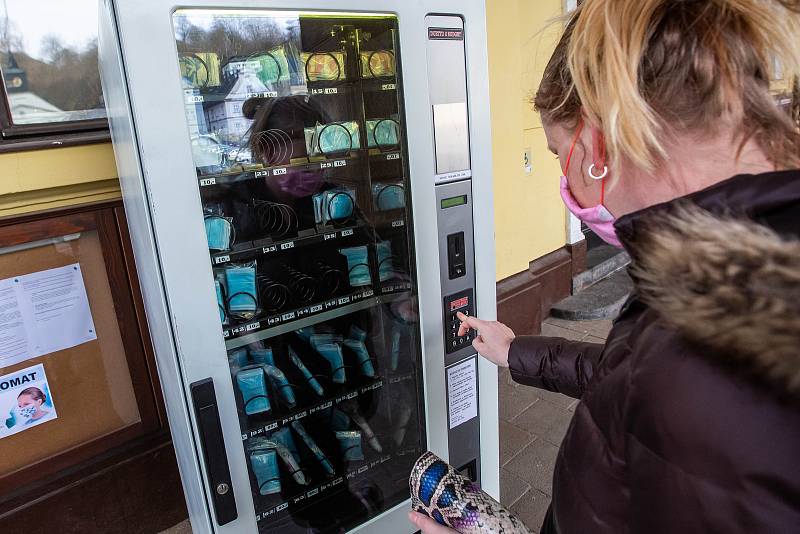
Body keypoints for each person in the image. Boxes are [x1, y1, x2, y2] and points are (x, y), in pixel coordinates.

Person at [410, 0, 800, 532]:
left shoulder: (709, 367)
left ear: (596, 145)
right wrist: (515, 351)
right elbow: (631, 378)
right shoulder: (735, 272)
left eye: (556, 154)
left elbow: (662, 385)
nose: (565, 184)